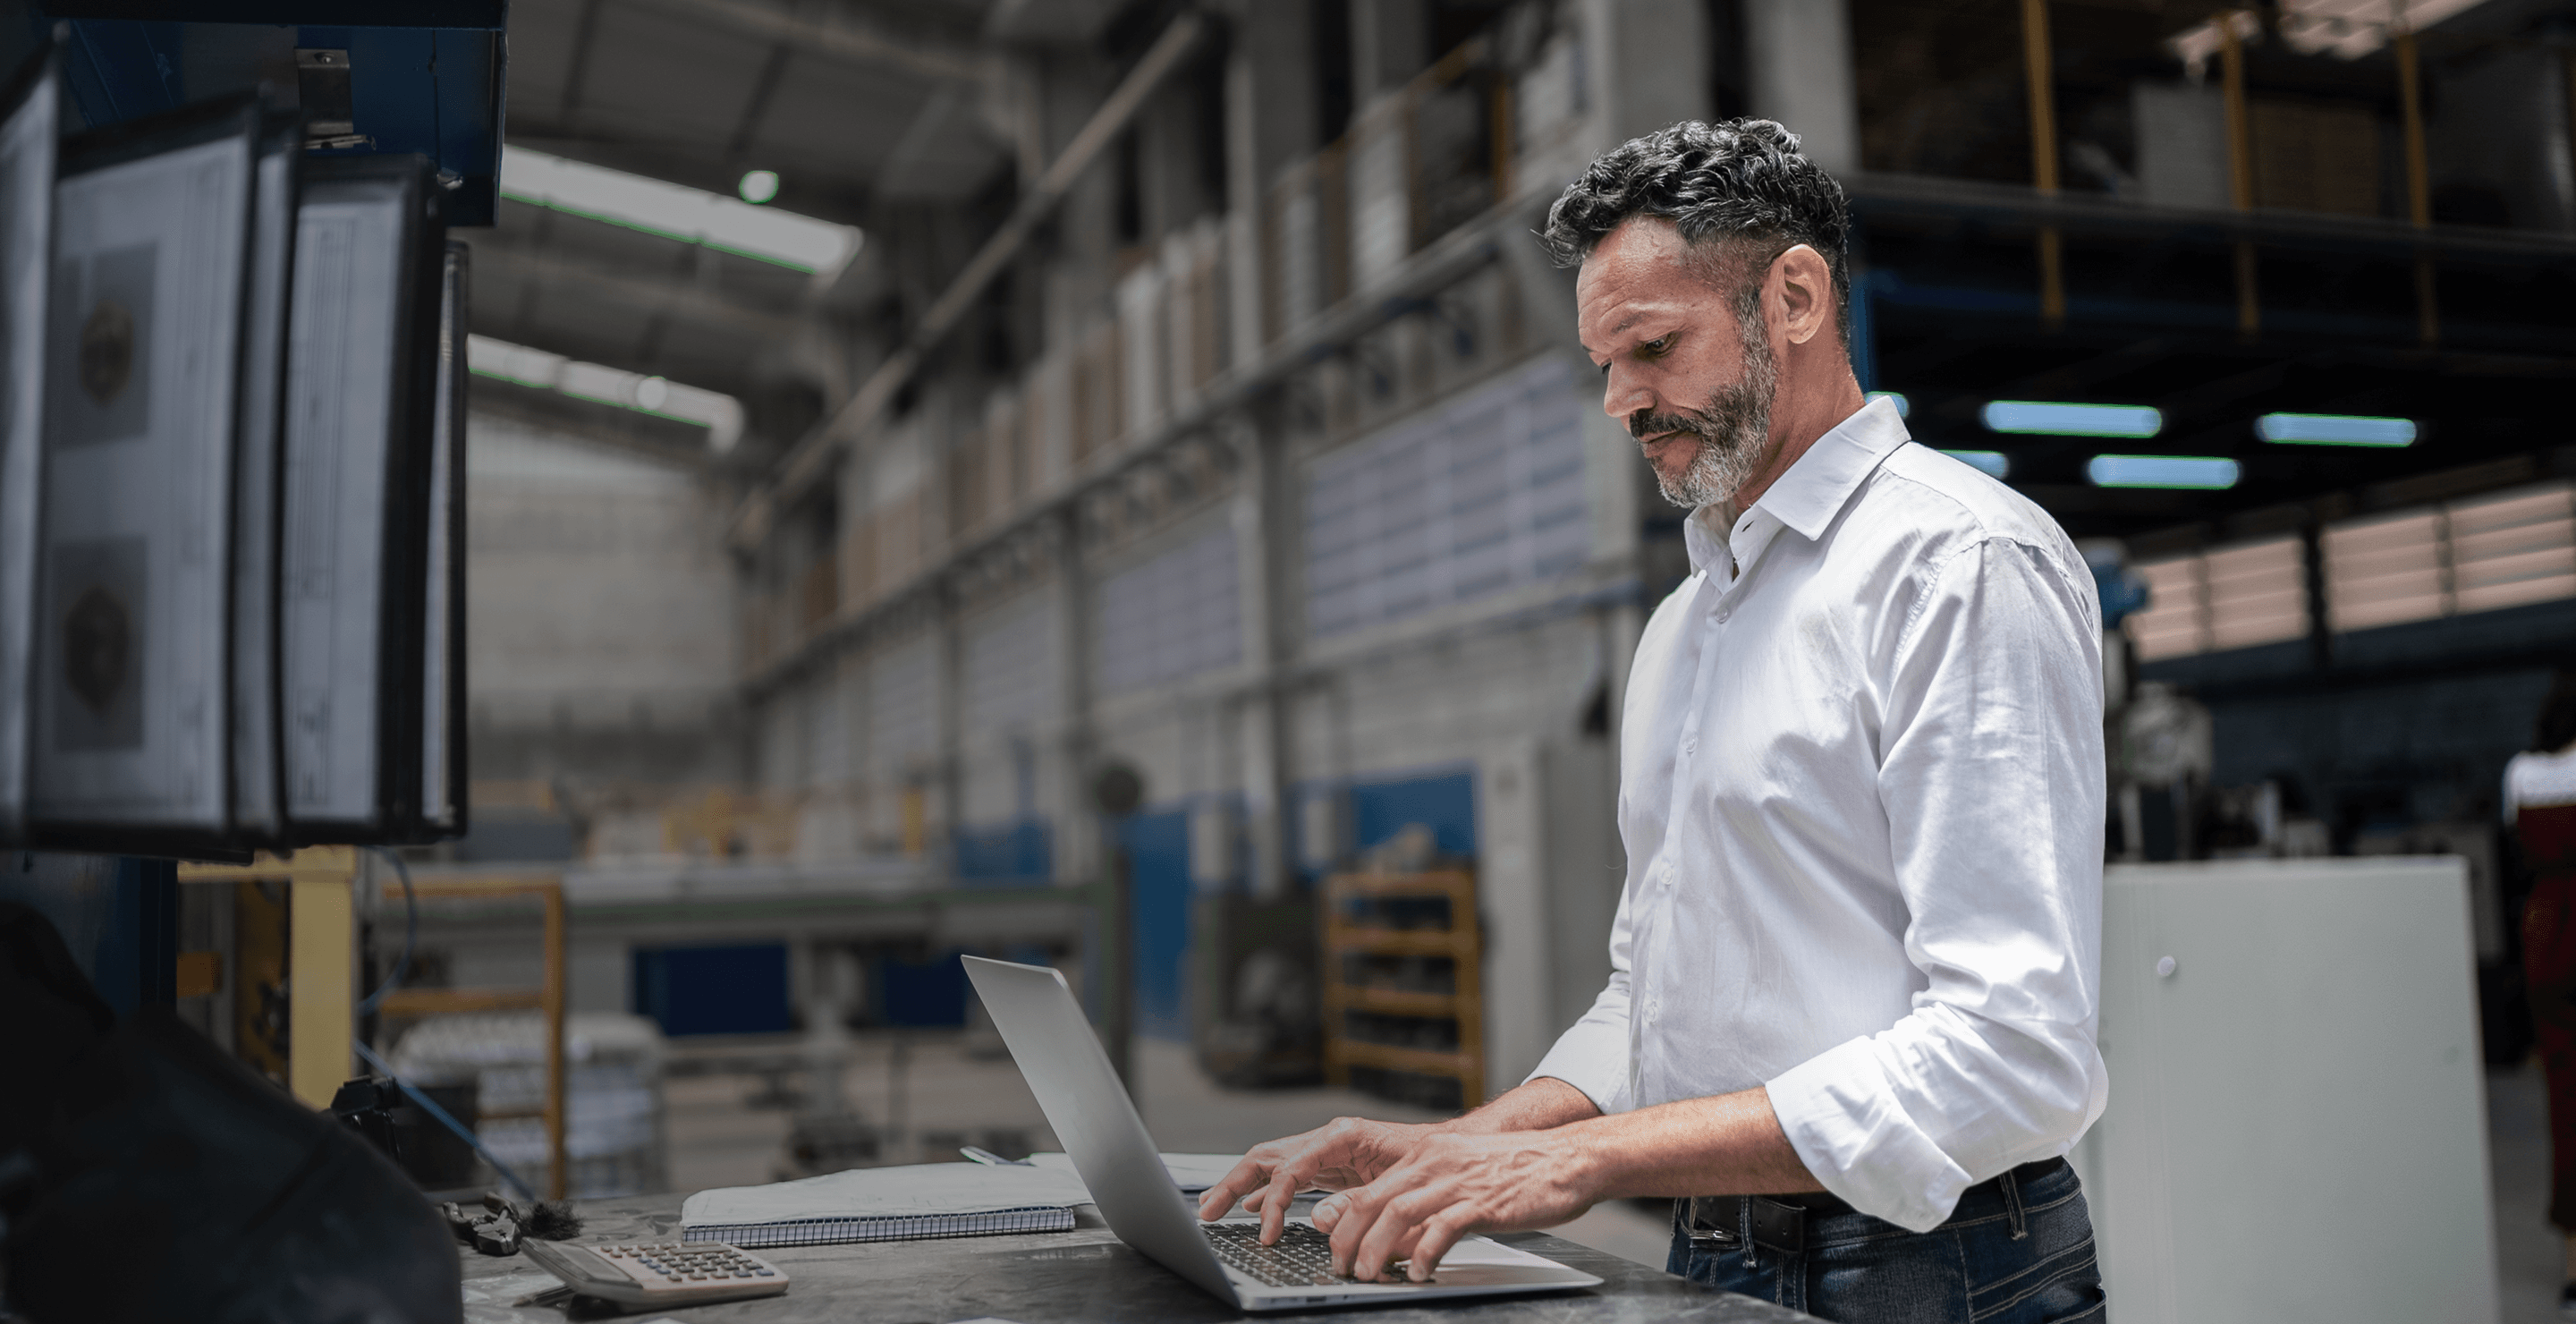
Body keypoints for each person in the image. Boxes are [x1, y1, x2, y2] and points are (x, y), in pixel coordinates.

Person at [1197, 119, 2110, 1322]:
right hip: (1714, 1235)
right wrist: (1460, 1148)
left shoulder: (1955, 565)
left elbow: (2012, 1052)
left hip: (1932, 1266)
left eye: (1653, 347)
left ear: (1791, 297)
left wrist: (1584, 1163)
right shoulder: (1691, 621)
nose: (1624, 401)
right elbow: (1655, 998)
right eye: (1605, 366)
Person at [2504, 667, 2576, 1320]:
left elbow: (2513, 860)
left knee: (2563, 1095)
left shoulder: (2521, 774)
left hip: (2546, 930)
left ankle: (2573, 1263)